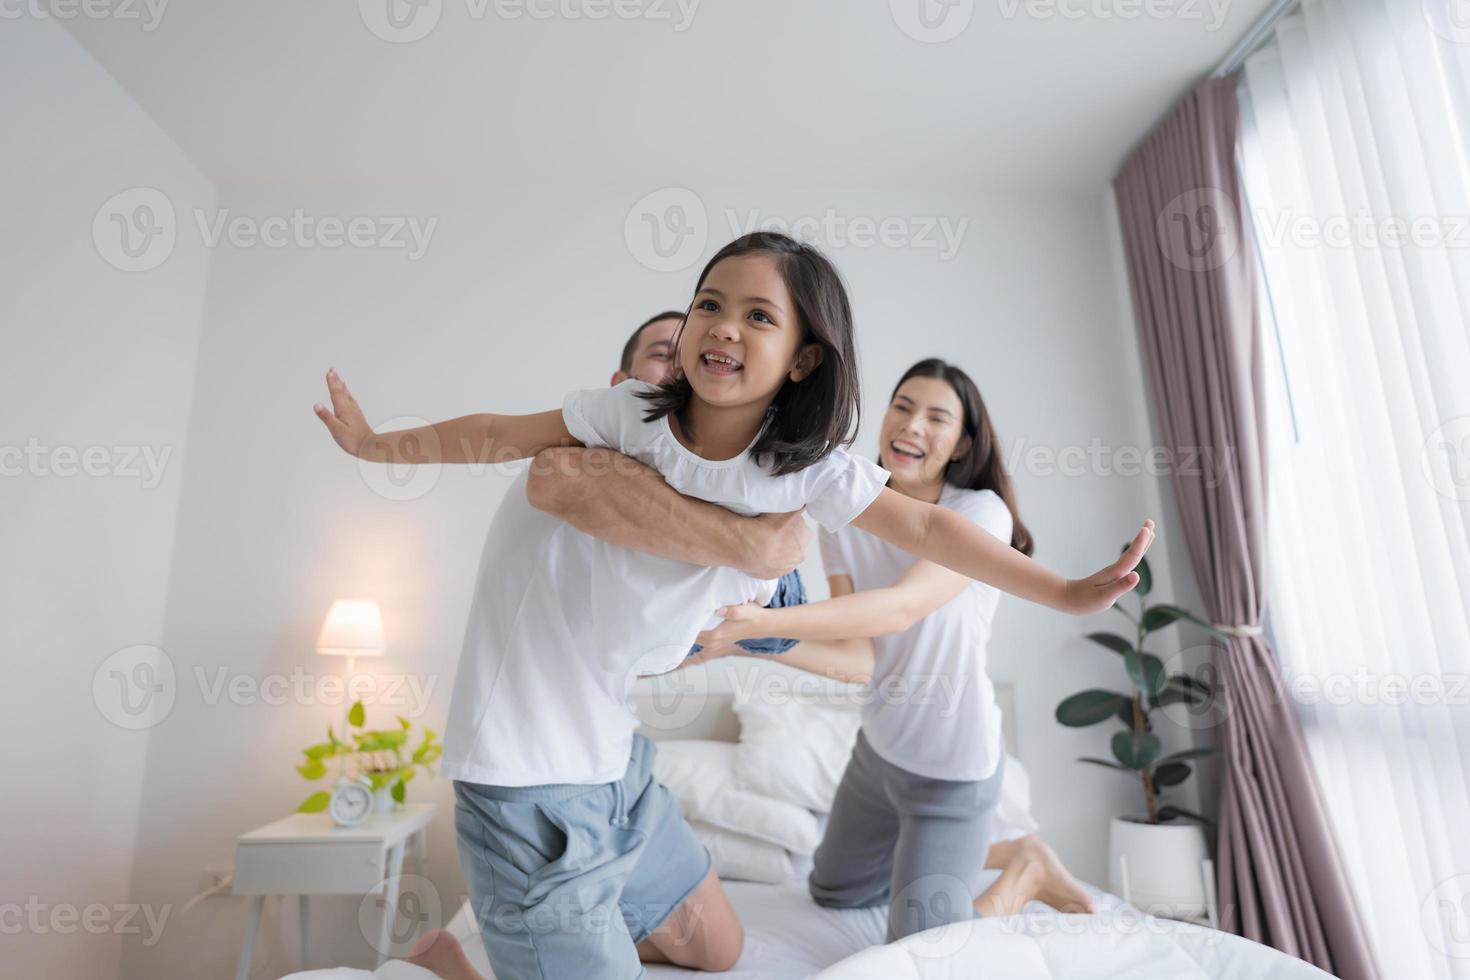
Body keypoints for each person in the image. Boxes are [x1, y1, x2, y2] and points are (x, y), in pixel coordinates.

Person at [314, 231, 1153, 980]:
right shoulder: (620, 425)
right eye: (708, 304)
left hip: (621, 770)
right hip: (527, 777)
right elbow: (501, 435)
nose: (720, 326)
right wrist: (380, 445)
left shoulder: (805, 473)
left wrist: (1068, 592)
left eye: (757, 315)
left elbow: (932, 530)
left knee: (722, 951)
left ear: (802, 358)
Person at [690, 357, 1098, 941]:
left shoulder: (980, 514)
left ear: (960, 444)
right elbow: (858, 657)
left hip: (952, 770)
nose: (912, 425)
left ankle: (1024, 867)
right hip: (879, 754)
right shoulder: (848, 515)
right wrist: (745, 645)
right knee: (832, 890)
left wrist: (762, 624)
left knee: (920, 947)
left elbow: (901, 607)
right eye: (903, 407)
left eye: (937, 418)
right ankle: (973, 852)